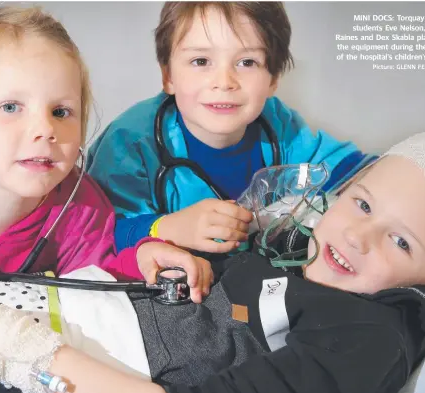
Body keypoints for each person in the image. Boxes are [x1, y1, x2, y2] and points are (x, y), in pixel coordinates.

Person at [0, 126, 425, 393]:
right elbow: (234, 308)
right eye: (362, 204)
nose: (360, 236)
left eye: (402, 241)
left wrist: (34, 359)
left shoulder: (367, 336)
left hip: (97, 385)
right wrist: (167, 259)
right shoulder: (309, 257)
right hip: (80, 323)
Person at [0, 6, 212, 295]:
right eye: (11, 107)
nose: (46, 129)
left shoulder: (81, 213)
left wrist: (142, 259)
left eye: (61, 112)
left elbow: (98, 278)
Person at [86, 2, 376, 255]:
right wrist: (171, 227)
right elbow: (93, 235)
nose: (224, 81)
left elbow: (355, 173)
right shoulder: (130, 142)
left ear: (273, 79)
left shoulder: (279, 124)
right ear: (168, 76)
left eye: (247, 62)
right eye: (201, 61)